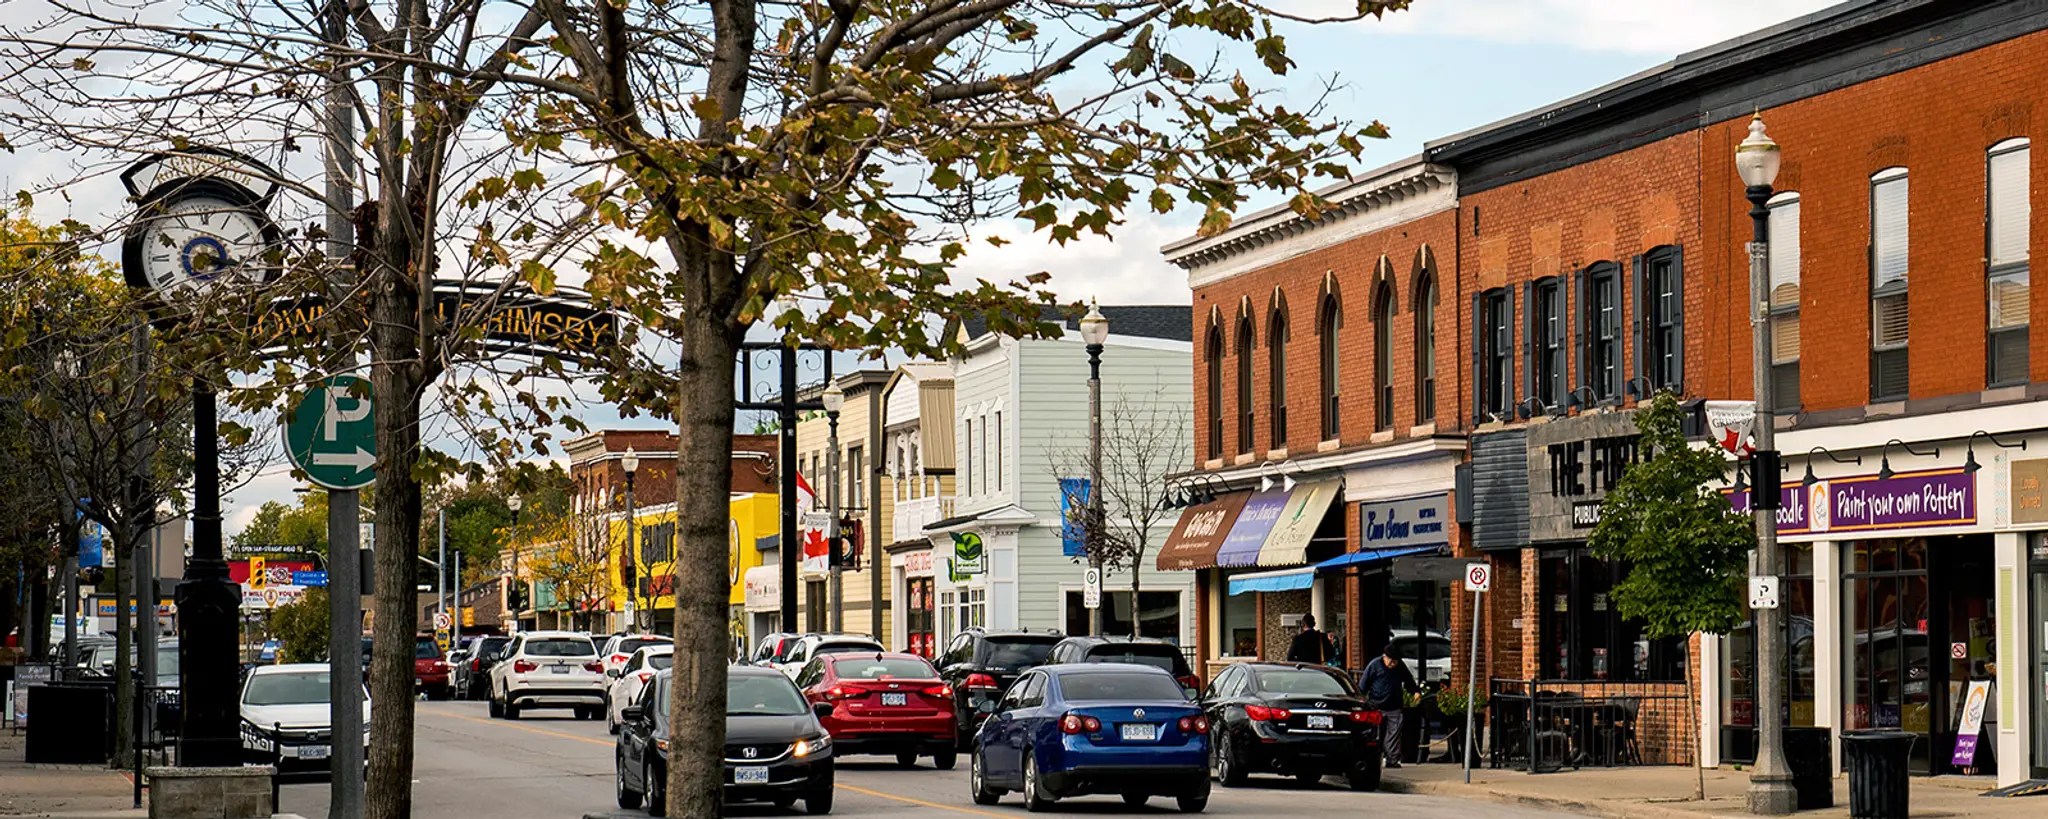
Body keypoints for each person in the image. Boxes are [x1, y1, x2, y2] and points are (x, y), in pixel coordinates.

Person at [1360, 644, 1420, 767]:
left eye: (1395, 661)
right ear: (1384, 657)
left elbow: (1408, 680)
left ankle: (1392, 760)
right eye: (1391, 661)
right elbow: (1363, 685)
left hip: (1394, 706)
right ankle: (1375, 759)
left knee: (1393, 734)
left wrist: (1415, 691)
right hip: (1377, 706)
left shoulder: (1400, 666)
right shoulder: (1374, 665)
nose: (1393, 664)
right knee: (1376, 735)